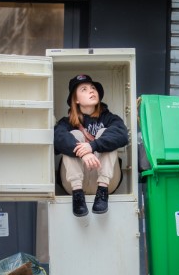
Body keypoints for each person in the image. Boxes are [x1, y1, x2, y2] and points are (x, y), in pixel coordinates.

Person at [54, 74, 129, 216]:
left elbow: (122, 135)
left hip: (105, 180)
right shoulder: (66, 122)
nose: (91, 91)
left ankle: (102, 192)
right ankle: (78, 196)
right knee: (74, 135)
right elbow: (57, 139)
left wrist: (93, 146)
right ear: (75, 99)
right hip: (74, 183)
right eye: (84, 89)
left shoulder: (109, 118)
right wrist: (85, 152)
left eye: (93, 88)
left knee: (105, 132)